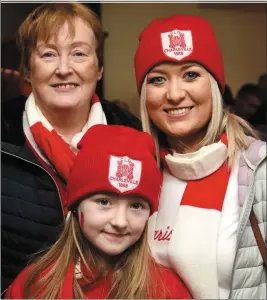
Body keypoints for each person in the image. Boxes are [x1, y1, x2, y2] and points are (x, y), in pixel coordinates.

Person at [1, 3, 141, 295]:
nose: (64, 69)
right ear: (27, 69)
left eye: (78, 53)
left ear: (99, 68)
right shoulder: (4, 135)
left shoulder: (136, 136)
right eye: (49, 54)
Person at [134, 14, 266, 299]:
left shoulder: (258, 169)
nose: (175, 93)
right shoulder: (137, 174)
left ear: (216, 86)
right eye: (158, 79)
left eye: (191, 74)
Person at [5, 125, 191, 299]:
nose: (120, 221)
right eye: (104, 202)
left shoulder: (167, 291)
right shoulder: (36, 284)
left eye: (136, 206)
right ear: (76, 205)